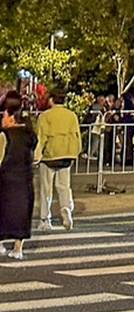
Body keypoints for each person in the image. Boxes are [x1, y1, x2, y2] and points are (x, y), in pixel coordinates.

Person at [35, 91, 81, 232]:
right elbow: (77, 136)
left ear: (51, 100)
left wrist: (37, 156)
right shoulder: (71, 116)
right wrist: (76, 152)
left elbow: (41, 137)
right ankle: (66, 209)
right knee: (64, 187)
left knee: (46, 189)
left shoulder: (45, 116)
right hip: (67, 155)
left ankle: (45, 219)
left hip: (50, 156)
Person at [0, 91, 37, 260]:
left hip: (6, 178)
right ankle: (18, 248)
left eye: (4, 117)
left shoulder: (5, 135)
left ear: (11, 118)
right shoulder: (29, 134)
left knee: (3, 211)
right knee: (22, 211)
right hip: (24, 177)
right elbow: (36, 155)